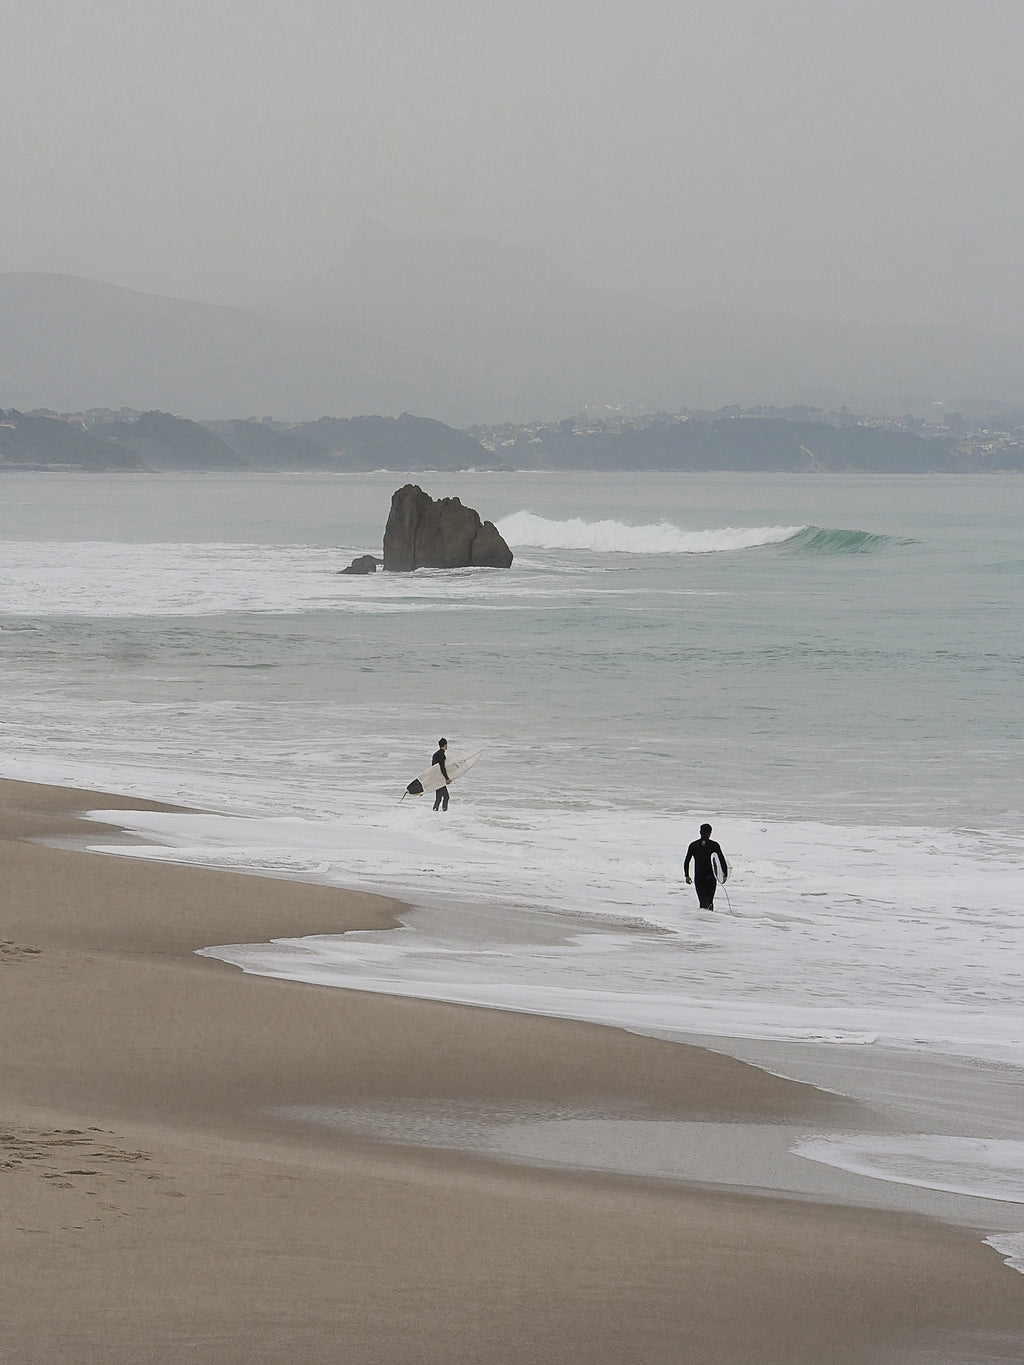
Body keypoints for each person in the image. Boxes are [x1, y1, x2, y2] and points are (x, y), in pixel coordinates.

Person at [684, 823, 728, 910]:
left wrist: (687, 875)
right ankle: (710, 920)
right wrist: (725, 874)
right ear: (710, 832)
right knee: (710, 901)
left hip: (699, 877)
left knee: (702, 902)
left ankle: (703, 920)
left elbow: (687, 861)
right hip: (711, 877)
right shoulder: (714, 845)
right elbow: (722, 860)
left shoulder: (693, 845)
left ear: (700, 832)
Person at [432, 738, 451, 811]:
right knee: (446, 797)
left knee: (439, 797)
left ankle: (435, 811)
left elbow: (433, 768)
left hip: (436, 778)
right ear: (445, 745)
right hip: (440, 779)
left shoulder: (435, 754)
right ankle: (444, 811)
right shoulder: (441, 755)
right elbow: (442, 767)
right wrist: (447, 778)